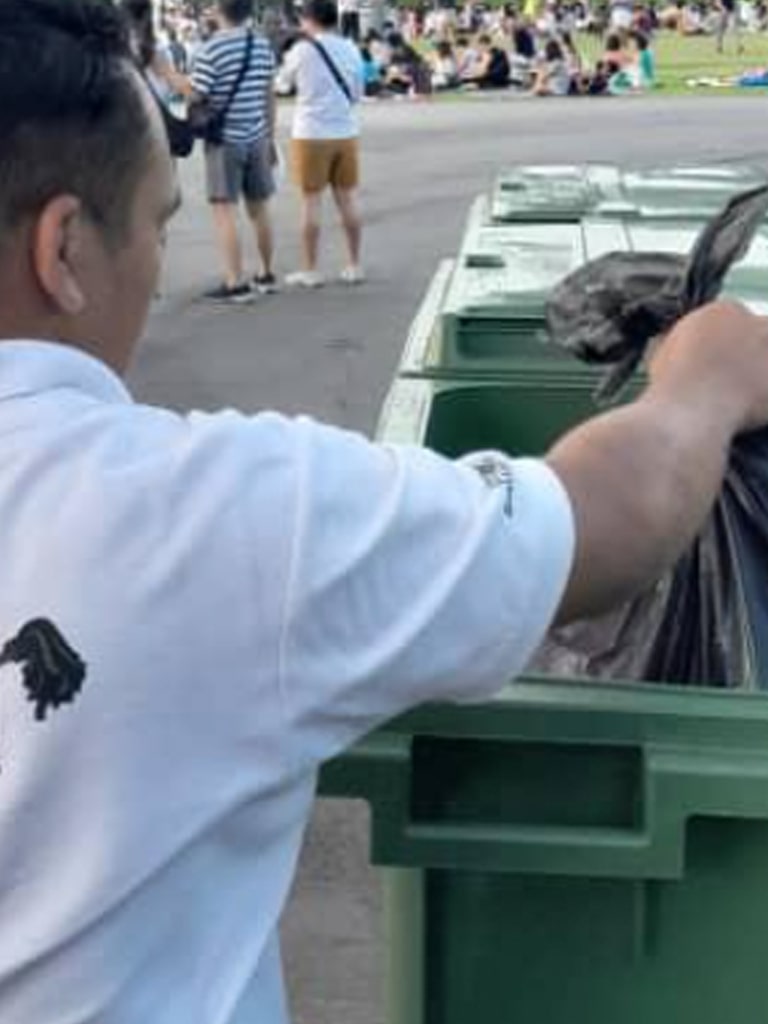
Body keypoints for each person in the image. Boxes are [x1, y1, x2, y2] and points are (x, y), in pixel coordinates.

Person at [5, 4, 768, 1024]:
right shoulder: (209, 515)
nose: (154, 265)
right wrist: (705, 379)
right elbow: (607, 520)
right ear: (64, 250)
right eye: (157, 225)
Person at [191, 0, 278, 301]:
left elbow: (197, 92)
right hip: (257, 136)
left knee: (224, 210)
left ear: (219, 10)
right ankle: (266, 274)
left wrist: (168, 75)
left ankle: (235, 282)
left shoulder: (211, 49)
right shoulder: (262, 45)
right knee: (260, 208)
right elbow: (269, 95)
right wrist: (269, 137)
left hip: (224, 141)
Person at [281, 0, 365, 288]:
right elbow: (357, 92)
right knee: (348, 200)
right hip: (345, 131)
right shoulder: (351, 48)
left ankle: (310, 269)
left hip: (311, 133)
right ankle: (354, 264)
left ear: (311, 19)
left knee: (311, 202)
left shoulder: (301, 51)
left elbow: (281, 84)